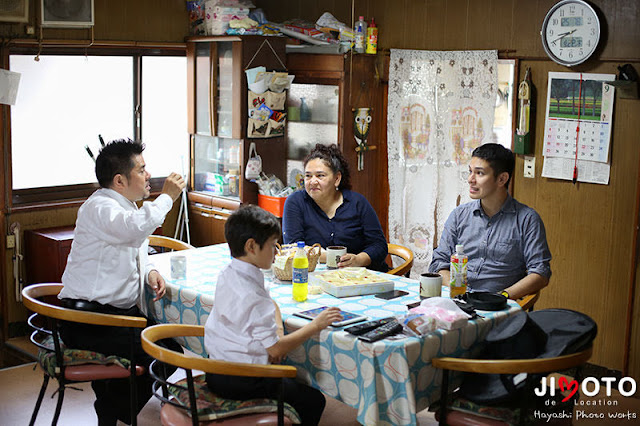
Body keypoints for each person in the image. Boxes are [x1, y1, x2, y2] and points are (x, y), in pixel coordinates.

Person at [58, 138, 186, 425]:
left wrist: (150, 271)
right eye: (141, 170)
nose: (148, 175)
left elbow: (136, 245)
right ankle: (114, 409)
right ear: (119, 180)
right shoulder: (100, 207)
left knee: (164, 342)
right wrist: (167, 198)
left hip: (114, 317)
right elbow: (133, 230)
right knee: (168, 351)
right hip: (90, 321)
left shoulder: (124, 206)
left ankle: (111, 408)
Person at [205, 205, 342, 425]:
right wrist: (316, 325)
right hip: (243, 379)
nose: (276, 252)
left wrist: (276, 331)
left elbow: (269, 305)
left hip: (215, 369)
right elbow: (276, 349)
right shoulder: (251, 293)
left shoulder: (229, 273)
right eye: (272, 246)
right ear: (251, 246)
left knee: (291, 377)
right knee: (313, 400)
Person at [429, 143, 551, 299]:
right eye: (470, 172)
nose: (470, 180)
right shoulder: (459, 215)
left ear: (502, 179)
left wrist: (503, 297)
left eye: (479, 173)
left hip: (498, 306)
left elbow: (540, 272)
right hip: (456, 301)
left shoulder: (527, 219)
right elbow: (439, 262)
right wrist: (459, 292)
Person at [282, 143, 389, 271]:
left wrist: (358, 260)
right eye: (308, 176)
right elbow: (294, 247)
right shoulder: (295, 202)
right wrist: (334, 257)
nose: (313, 181)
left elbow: (379, 245)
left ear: (337, 178)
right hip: (315, 277)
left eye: (320, 175)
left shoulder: (357, 203)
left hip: (359, 275)